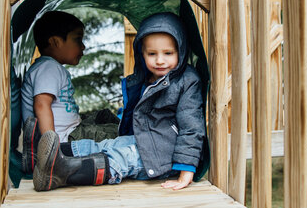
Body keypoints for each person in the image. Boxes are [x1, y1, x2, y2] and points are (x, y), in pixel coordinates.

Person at [33, 12, 206, 191]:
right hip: (145, 141)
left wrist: (185, 171)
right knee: (106, 144)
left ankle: (61, 173)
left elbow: (192, 127)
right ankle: (48, 155)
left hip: (165, 154)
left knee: (122, 157)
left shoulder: (187, 81)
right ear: (142, 53)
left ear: (181, 50)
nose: (160, 60)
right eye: (152, 54)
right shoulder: (146, 78)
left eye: (168, 53)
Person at [20, 11, 118, 174]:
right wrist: (50, 151)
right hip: (65, 139)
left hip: (70, 131)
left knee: (104, 115)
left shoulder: (50, 67)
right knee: (118, 133)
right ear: (55, 42)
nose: (83, 46)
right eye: (78, 39)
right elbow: (42, 105)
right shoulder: (48, 68)